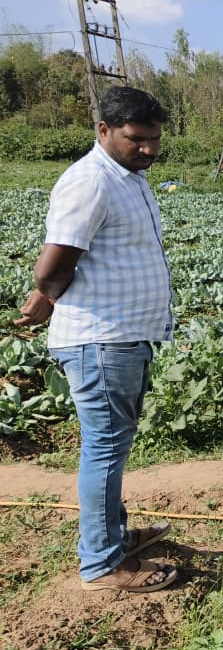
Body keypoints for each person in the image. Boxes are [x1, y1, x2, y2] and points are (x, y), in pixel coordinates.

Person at [15, 86, 178, 593]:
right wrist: (47, 293)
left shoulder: (127, 174)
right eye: (137, 139)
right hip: (101, 339)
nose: (148, 149)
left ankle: (113, 537)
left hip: (121, 335)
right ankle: (103, 564)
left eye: (154, 139)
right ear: (103, 130)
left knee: (111, 446)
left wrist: (51, 293)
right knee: (104, 449)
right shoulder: (89, 181)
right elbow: (56, 261)